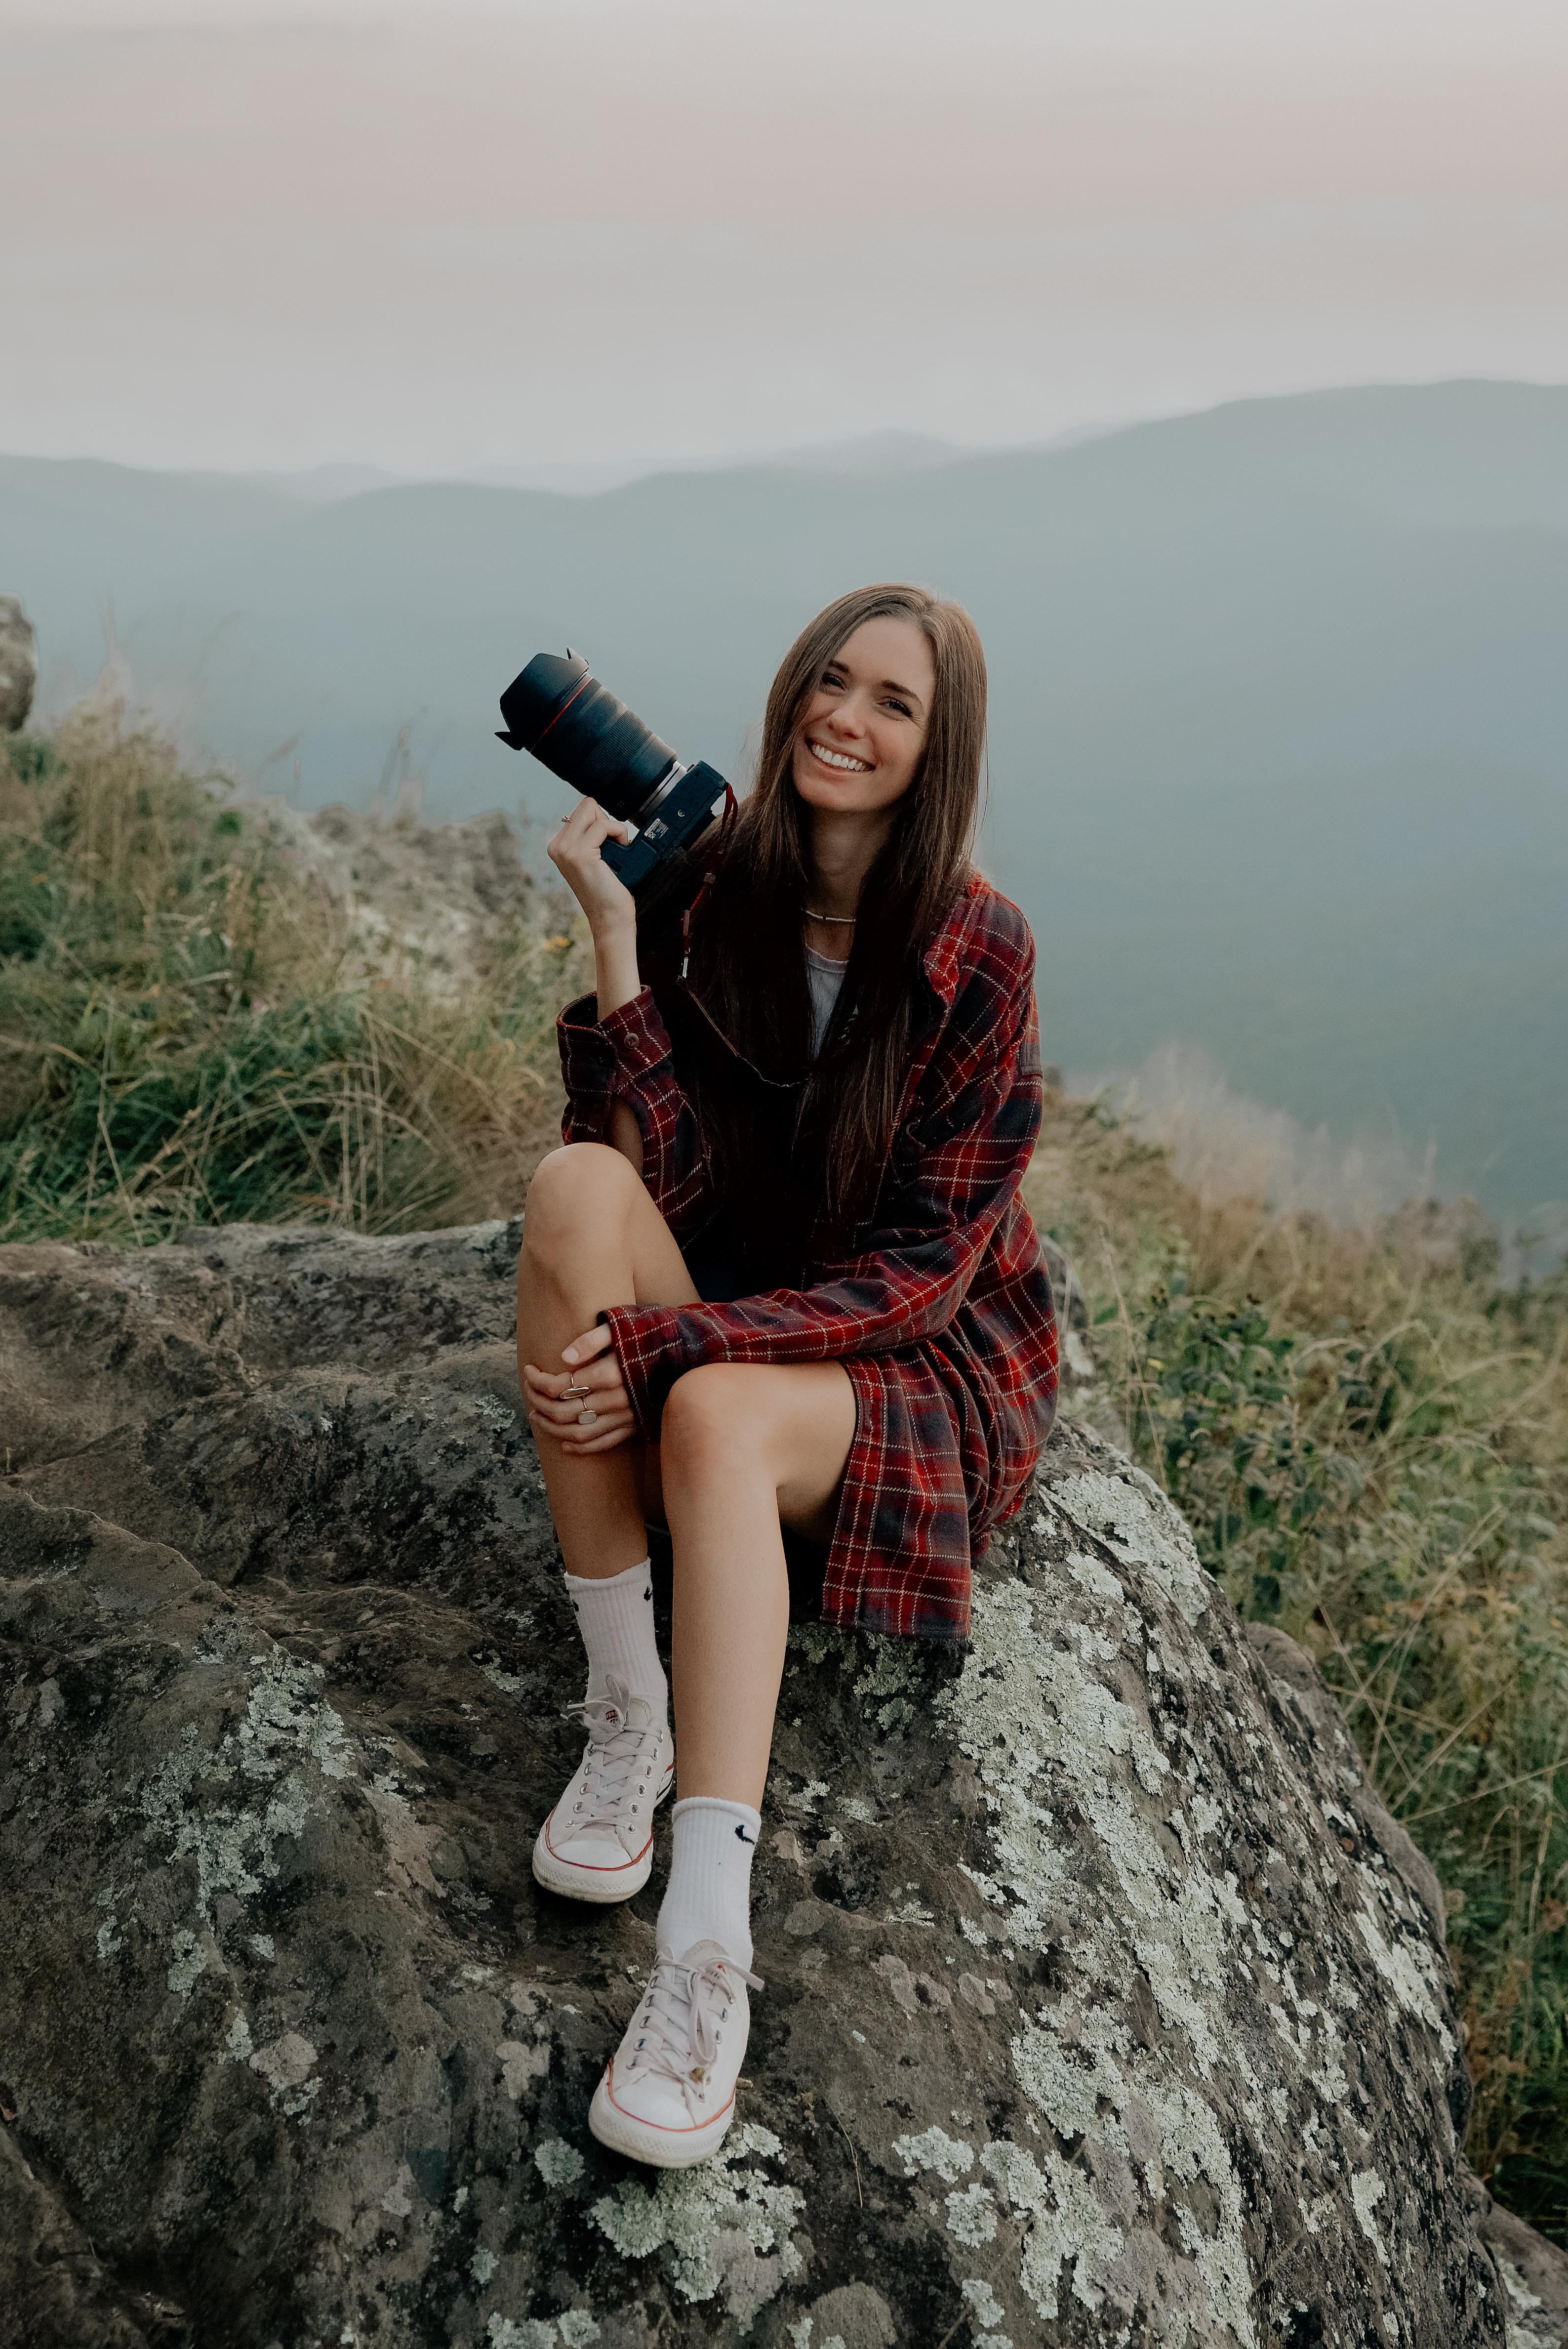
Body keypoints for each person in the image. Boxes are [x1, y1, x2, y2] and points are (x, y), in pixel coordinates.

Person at [516, 580, 1058, 2170]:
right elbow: (660, 1189)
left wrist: (681, 1341)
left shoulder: (981, 947)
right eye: (832, 681)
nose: (848, 717)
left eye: (894, 701)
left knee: (712, 1406)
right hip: (755, 1300)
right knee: (569, 1197)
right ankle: (627, 1716)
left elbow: (922, 1274)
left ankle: (706, 1950)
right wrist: (622, 951)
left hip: (910, 1364)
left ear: (938, 747)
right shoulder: (713, 892)